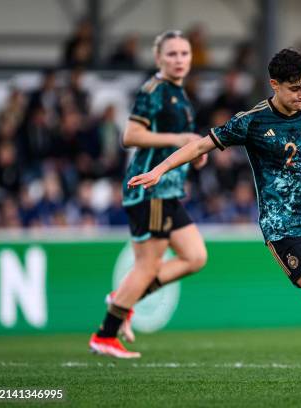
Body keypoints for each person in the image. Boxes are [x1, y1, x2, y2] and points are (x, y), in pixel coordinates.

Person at [128, 48, 301, 384]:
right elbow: (199, 146)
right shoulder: (250, 121)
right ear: (275, 85)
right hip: (284, 228)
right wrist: (159, 170)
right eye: (295, 88)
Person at [89, 30, 208, 358]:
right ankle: (105, 334)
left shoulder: (180, 95)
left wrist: (194, 151)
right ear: (158, 59)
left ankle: (123, 299)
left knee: (195, 256)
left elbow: (180, 139)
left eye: (184, 54)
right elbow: (130, 135)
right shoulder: (153, 90)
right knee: (146, 266)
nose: (179, 59)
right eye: (171, 54)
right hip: (150, 189)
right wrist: (178, 140)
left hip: (168, 192)